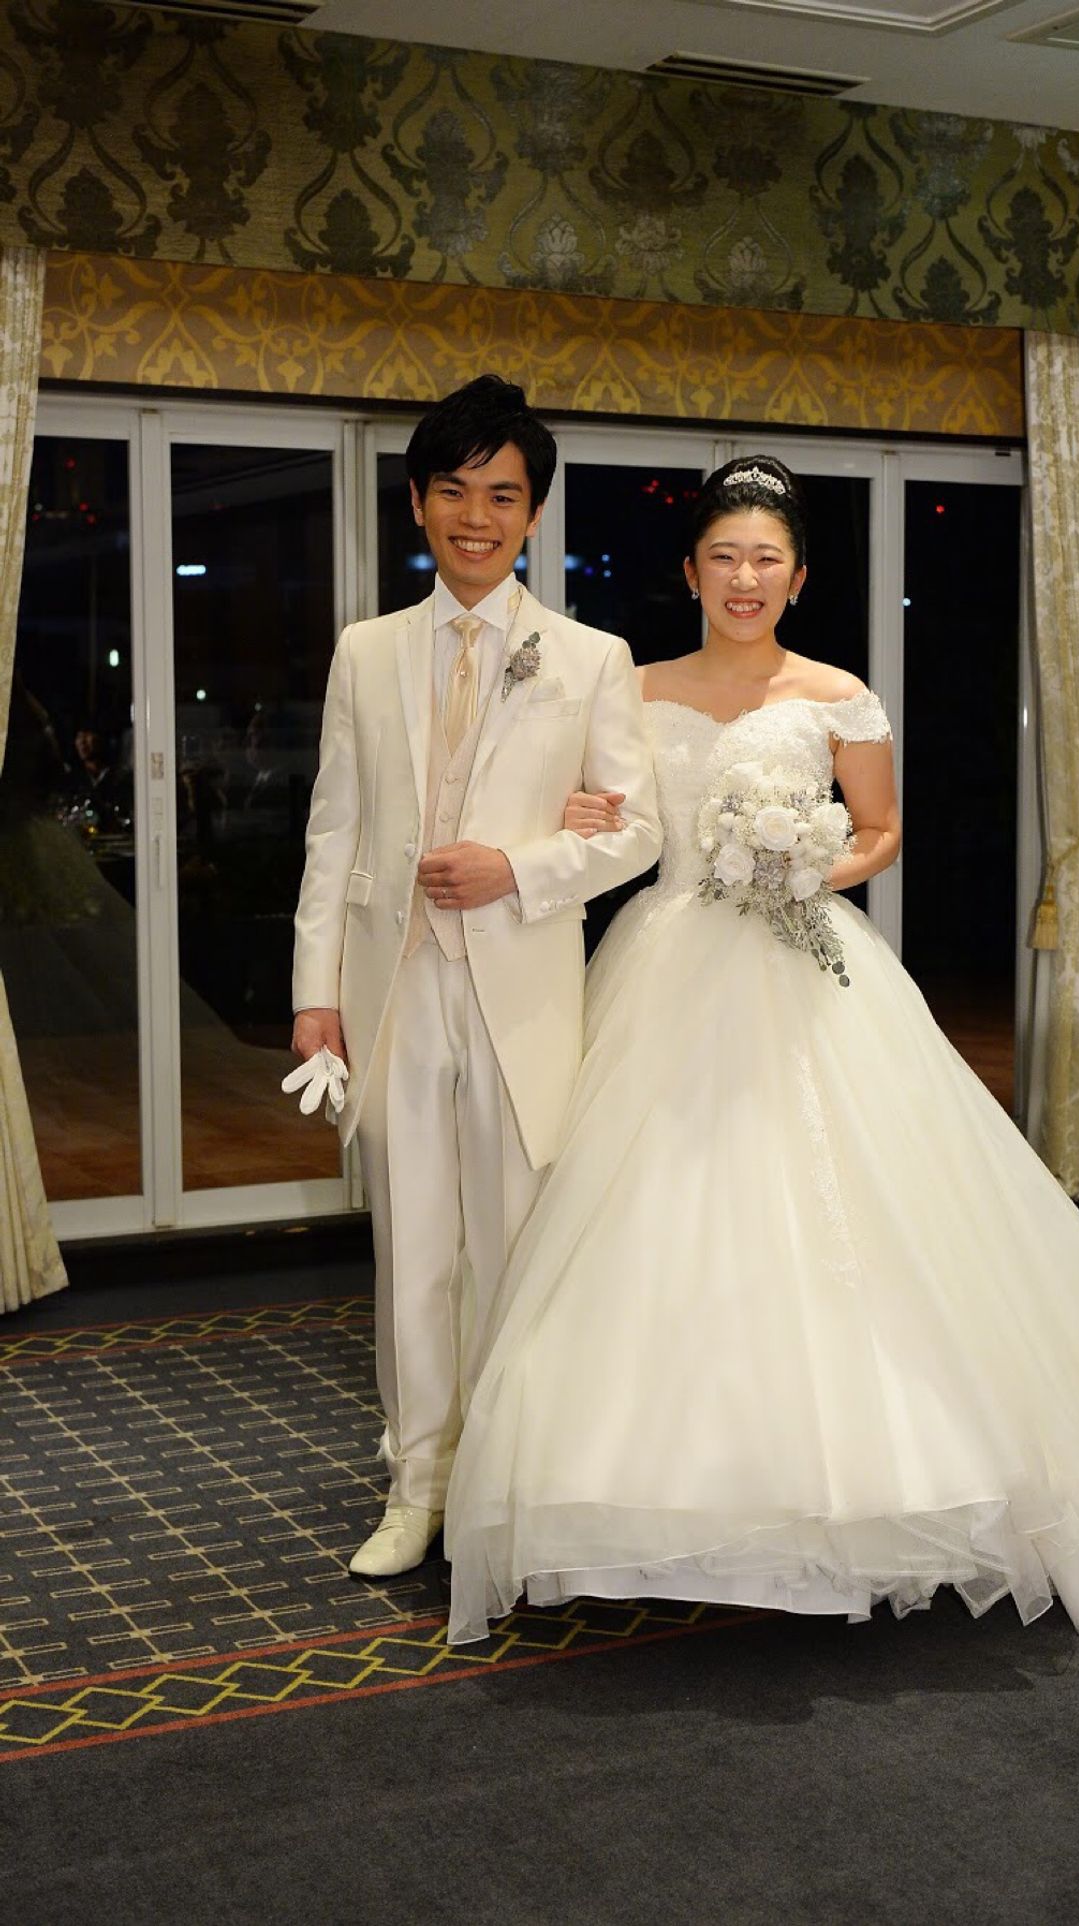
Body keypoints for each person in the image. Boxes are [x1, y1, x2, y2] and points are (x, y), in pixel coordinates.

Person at [442, 455, 1079, 1645]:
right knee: (647, 1200)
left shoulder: (836, 693)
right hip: (668, 956)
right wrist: (585, 817)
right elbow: (613, 815)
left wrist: (803, 868)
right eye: (722, 557)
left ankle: (887, 1477)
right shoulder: (629, 684)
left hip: (807, 957)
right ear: (688, 571)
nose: (742, 578)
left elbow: (878, 830)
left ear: (796, 578)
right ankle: (643, 1480)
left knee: (860, 1197)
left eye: (764, 560)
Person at [290, 376, 661, 1578]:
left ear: (533, 513)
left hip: (522, 993)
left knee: (512, 1246)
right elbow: (332, 830)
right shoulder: (366, 652)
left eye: (501, 495)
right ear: (416, 502)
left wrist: (518, 865)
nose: (476, 516)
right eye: (453, 490)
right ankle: (419, 1485)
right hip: (394, 990)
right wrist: (313, 996)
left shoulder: (590, 657)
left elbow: (637, 830)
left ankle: (510, 1480)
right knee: (412, 1251)